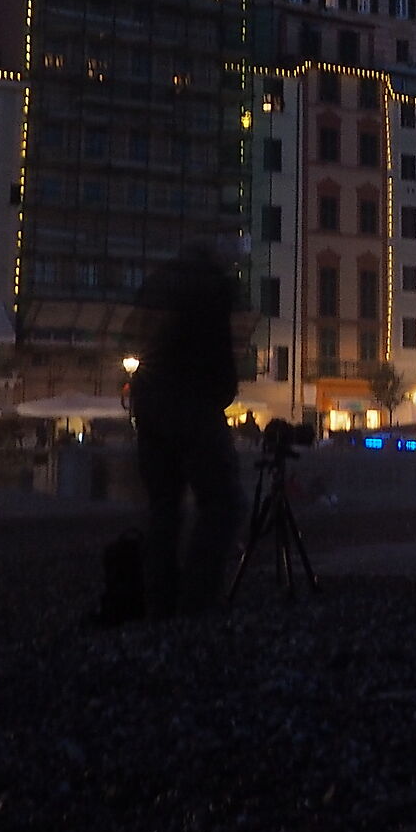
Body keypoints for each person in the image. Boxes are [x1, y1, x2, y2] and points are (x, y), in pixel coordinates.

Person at [127, 241, 245, 618]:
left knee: (164, 507)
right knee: (224, 503)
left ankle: (159, 598)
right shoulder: (211, 287)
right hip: (192, 406)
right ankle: (198, 598)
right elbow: (219, 359)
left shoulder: (160, 281)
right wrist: (220, 396)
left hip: (150, 405)